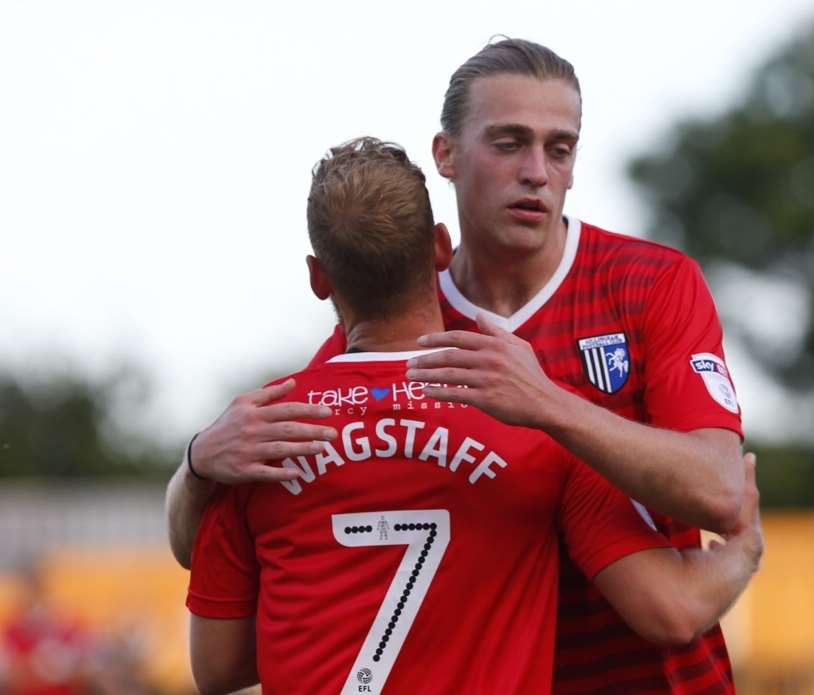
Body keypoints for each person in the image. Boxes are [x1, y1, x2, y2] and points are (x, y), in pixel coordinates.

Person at [167, 39, 753, 694]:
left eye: (559, 149)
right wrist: (196, 462)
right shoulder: (367, 358)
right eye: (508, 143)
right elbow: (233, 524)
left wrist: (548, 403)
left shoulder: (649, 283)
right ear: (444, 154)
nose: (536, 170)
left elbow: (717, 488)